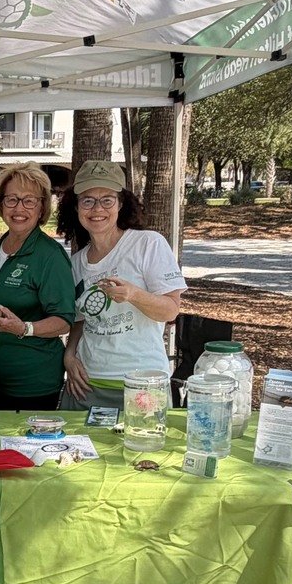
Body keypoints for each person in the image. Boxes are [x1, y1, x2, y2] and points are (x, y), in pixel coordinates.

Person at [62, 161, 186, 409]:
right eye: (88, 200)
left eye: (107, 200)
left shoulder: (148, 244)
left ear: (121, 204)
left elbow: (171, 309)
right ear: (76, 207)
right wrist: (69, 355)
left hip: (143, 383)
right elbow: (79, 319)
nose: (97, 209)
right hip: (87, 382)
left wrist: (133, 294)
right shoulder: (75, 262)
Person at [0, 161, 76, 411]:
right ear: (0, 204)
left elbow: (64, 320)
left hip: (33, 385)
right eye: (11, 199)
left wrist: (24, 328)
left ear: (42, 206)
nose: (19, 208)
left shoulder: (50, 256)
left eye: (29, 200)